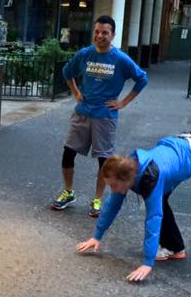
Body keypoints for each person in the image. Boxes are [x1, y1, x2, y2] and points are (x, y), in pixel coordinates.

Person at [76, 133, 191, 283]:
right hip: (177, 149)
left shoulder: (150, 177)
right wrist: (96, 236)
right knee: (160, 199)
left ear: (125, 180)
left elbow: (153, 218)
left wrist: (147, 263)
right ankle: (175, 247)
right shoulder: (125, 170)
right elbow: (112, 204)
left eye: (113, 186)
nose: (112, 189)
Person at [51, 15, 148, 217]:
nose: (99, 36)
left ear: (112, 35)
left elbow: (142, 78)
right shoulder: (85, 54)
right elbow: (67, 72)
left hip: (105, 116)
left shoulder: (120, 59)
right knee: (68, 152)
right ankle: (68, 192)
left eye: (105, 32)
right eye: (96, 32)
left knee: (103, 160)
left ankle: (97, 199)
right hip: (82, 112)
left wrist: (123, 103)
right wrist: (76, 92)